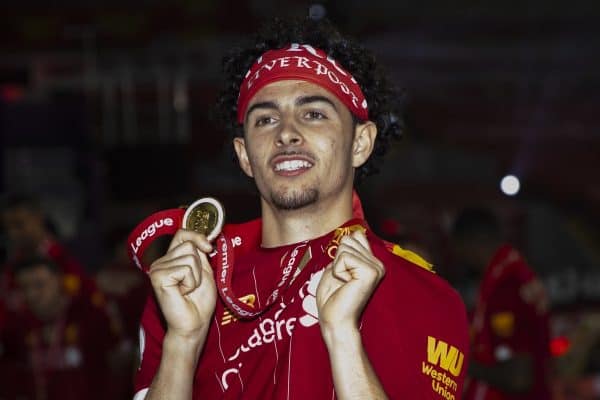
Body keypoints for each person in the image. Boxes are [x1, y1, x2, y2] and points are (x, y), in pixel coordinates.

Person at [134, 16, 469, 399]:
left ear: (360, 143)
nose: (286, 133)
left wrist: (342, 336)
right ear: (244, 155)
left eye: (314, 114)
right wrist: (183, 341)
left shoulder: (422, 294)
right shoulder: (189, 281)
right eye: (265, 119)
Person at [451, 207, 552, 400]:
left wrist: (460, 361)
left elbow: (518, 378)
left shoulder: (506, 285)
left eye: (458, 249)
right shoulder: (516, 272)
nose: (459, 258)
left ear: (468, 243)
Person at [0, 257, 119, 400]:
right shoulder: (18, 327)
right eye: (24, 287)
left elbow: (114, 371)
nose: (31, 295)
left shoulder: (88, 317)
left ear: (59, 281)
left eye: (39, 285)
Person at [0, 194, 97, 314]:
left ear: (38, 218)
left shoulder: (65, 258)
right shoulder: (11, 265)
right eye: (7, 228)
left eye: (19, 225)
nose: (12, 234)